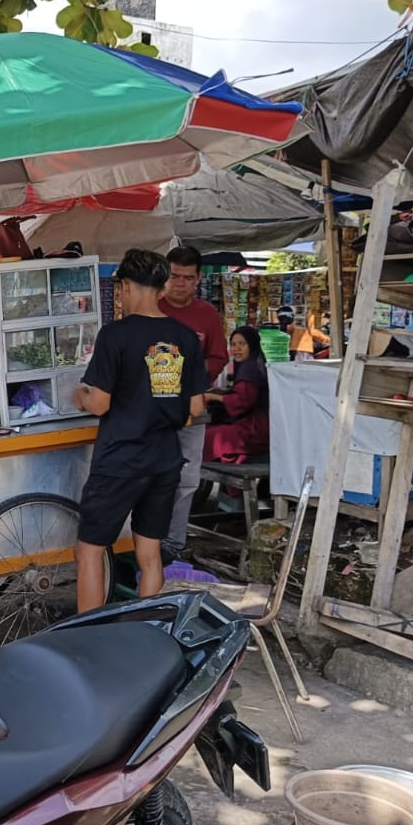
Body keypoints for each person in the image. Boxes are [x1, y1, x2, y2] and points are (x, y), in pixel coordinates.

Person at [72, 248, 206, 613]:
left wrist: (80, 396)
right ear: (163, 289)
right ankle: (147, 635)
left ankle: (85, 638)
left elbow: (99, 403)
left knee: (90, 551)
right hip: (164, 459)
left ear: (126, 286)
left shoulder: (115, 336)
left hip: (120, 459)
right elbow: (196, 407)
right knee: (149, 553)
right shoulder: (186, 338)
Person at [156, 244, 227, 561]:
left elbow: (219, 357)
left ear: (198, 279)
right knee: (152, 474)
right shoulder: (151, 309)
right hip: (153, 410)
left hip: (192, 410)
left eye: (187, 277)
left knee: (187, 478)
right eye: (174, 276)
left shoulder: (207, 315)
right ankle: (146, 539)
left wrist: (193, 378)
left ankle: (174, 541)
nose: (180, 283)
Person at [204, 326, 271, 463]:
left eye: (242, 344)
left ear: (251, 345)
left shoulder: (250, 368)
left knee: (208, 437)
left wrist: (214, 397)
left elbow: (243, 401)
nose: (237, 349)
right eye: (233, 344)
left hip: (255, 430)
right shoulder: (250, 365)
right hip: (253, 426)